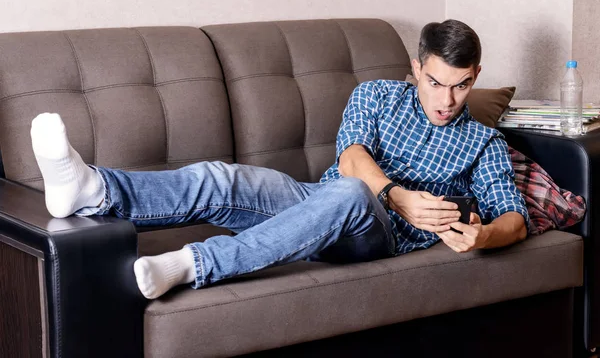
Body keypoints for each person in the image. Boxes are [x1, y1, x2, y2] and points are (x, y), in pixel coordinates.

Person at [29, 19, 528, 300]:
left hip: (376, 239)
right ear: (415, 68)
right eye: (435, 82)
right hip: (324, 199)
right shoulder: (375, 95)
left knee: (350, 197)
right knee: (222, 179)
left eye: (462, 85)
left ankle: (192, 264)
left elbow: (515, 218)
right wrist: (398, 197)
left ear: (476, 75)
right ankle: (94, 189)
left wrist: (484, 235)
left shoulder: (482, 142)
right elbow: (352, 158)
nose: (447, 99)